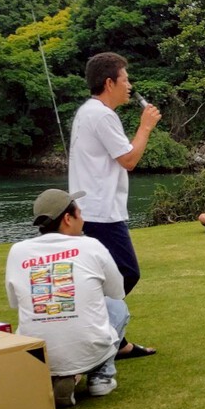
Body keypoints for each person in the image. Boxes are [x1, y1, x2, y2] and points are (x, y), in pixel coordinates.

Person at [68, 52, 160, 360]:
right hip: (100, 211)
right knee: (126, 273)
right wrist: (145, 126)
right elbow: (129, 159)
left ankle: (115, 340)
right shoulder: (102, 115)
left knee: (106, 275)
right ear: (110, 83)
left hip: (90, 208)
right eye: (125, 79)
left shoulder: (88, 111)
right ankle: (97, 334)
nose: (129, 85)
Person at [5, 189, 128, 408]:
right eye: (80, 213)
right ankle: (101, 377)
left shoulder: (17, 251)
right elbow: (117, 291)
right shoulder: (91, 245)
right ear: (68, 218)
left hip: (37, 354)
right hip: (89, 350)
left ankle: (59, 375)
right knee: (117, 307)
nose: (83, 219)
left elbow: (15, 302)